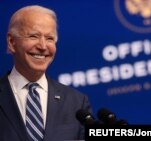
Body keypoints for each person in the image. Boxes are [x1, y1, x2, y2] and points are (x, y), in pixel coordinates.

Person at [0, 5, 92, 141]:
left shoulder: (77, 103)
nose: (43, 46)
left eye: (49, 38)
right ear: (11, 42)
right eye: (33, 36)